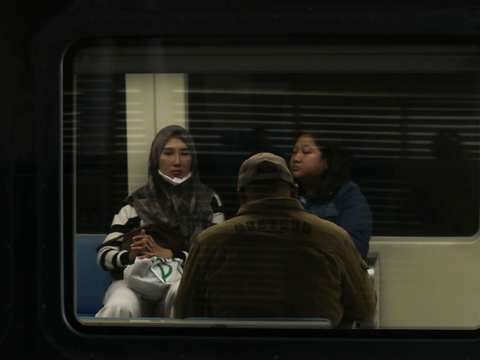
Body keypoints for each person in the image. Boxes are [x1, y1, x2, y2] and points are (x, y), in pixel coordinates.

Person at [173, 152, 377, 328]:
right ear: (293, 192)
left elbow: (185, 313)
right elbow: (364, 310)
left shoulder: (209, 242)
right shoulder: (333, 238)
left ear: (241, 195)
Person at [95, 125, 223, 318]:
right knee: (119, 306)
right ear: (156, 159)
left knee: (183, 296)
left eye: (184, 154)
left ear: (193, 159)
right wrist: (131, 255)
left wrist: (171, 255)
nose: (177, 162)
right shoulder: (135, 203)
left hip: (182, 279)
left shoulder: (208, 201)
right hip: (135, 281)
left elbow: (215, 257)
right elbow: (104, 256)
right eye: (168, 153)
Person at [290, 134, 372, 259]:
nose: (296, 158)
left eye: (306, 152)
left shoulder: (346, 193)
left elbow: (353, 246)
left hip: (328, 273)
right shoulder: (286, 194)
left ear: (326, 161)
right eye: (294, 152)